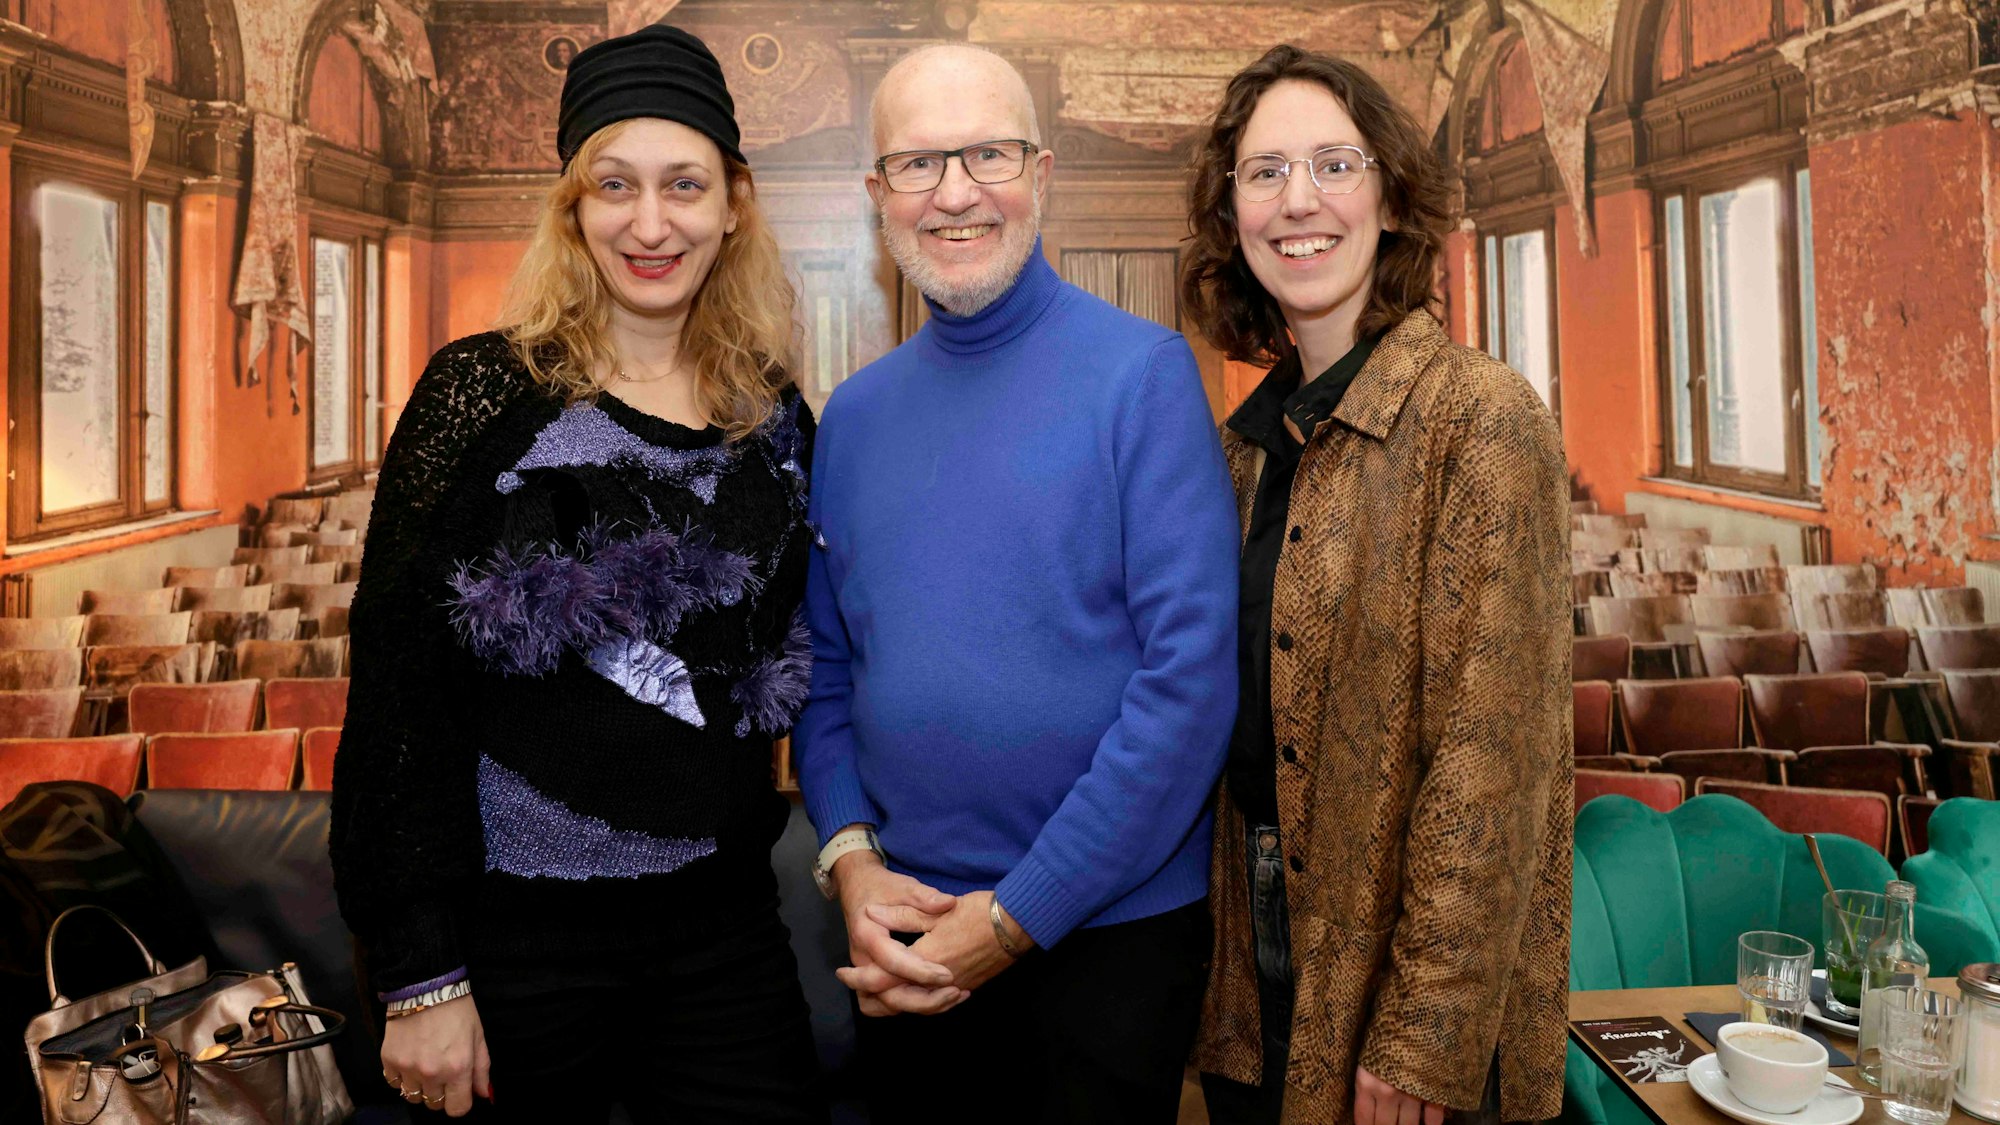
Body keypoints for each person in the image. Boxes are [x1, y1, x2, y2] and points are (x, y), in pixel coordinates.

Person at [329, 25, 825, 1124]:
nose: (651, 224)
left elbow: (789, 661)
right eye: (615, 185)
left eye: (684, 185)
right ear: (572, 207)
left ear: (733, 203)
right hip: (515, 957)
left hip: (724, 938)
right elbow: (399, 687)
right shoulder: (479, 394)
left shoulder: (774, 415)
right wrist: (419, 976)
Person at [793, 43, 1239, 1125]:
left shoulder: (1144, 378)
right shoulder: (850, 419)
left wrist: (1013, 920)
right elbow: (820, 676)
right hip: (902, 928)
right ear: (876, 197)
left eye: (985, 153)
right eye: (916, 164)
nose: (953, 193)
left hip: (1108, 940)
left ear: (1040, 173)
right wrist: (849, 859)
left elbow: (1188, 691)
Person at [1179, 44, 1572, 1125]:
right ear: (1230, 215)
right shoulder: (1240, 449)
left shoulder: (1478, 416)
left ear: (1391, 198)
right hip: (1247, 951)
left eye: (1332, 166)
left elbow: (1489, 764)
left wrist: (1423, 1036)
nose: (1295, 201)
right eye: (1261, 173)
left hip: (1398, 973)